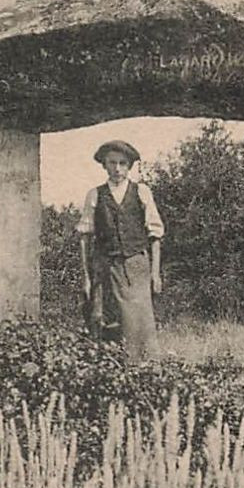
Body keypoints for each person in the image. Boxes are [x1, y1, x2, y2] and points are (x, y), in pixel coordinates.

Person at [76, 140, 164, 363]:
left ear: (130, 166)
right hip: (106, 267)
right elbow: (85, 238)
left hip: (136, 265)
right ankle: (113, 370)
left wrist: (155, 273)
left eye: (122, 163)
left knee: (139, 321)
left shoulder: (141, 192)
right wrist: (87, 277)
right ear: (104, 165)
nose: (117, 168)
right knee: (106, 318)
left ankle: (142, 367)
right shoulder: (95, 195)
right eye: (112, 163)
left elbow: (155, 235)